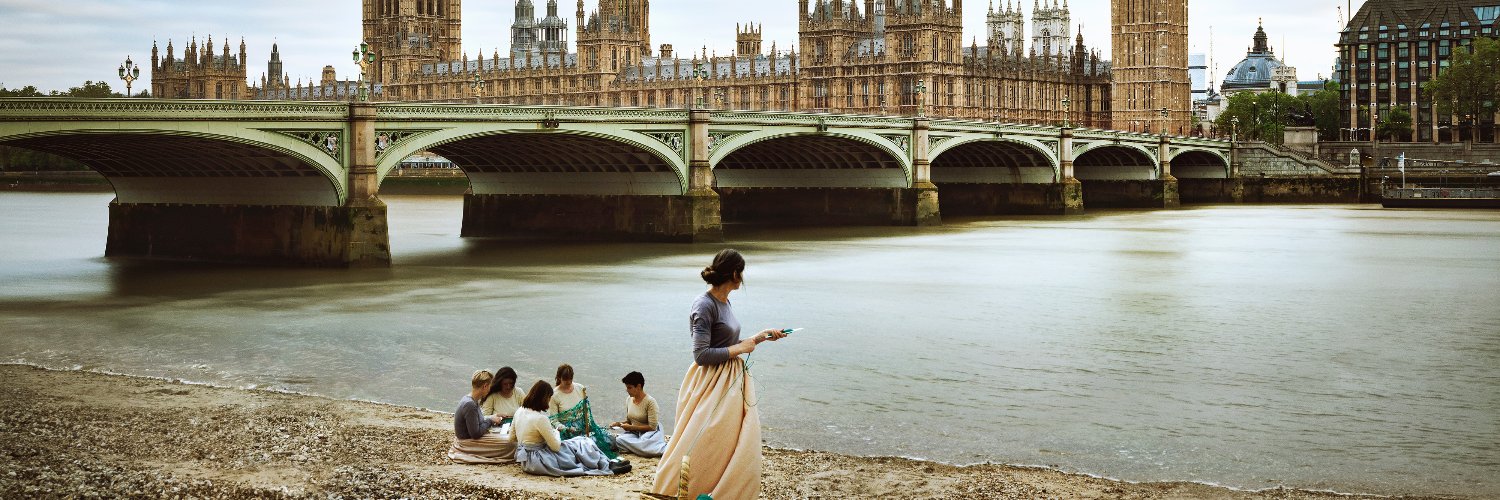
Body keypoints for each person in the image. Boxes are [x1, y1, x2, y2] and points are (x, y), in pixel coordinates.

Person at [650, 249, 787, 499]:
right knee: (703, 439)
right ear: (735, 273)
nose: (742, 277)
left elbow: (727, 343)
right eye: (741, 272)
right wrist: (740, 349)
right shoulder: (704, 305)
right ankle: (674, 489)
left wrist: (759, 337)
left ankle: (720, 489)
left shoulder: (725, 301)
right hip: (711, 383)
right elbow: (701, 355)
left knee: (729, 442)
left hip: (730, 380)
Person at [512, 380, 630, 476]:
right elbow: (556, 447)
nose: (548, 401)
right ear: (543, 398)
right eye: (548, 398)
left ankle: (605, 462)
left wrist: (531, 440)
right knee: (581, 444)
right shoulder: (540, 418)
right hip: (540, 460)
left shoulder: (519, 411)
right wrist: (555, 432)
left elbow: (511, 438)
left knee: (579, 441)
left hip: (526, 461)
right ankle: (605, 464)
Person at [447, 369, 516, 464]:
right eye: (489, 386)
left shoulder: (471, 399)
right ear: (485, 386)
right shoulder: (470, 404)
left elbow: (476, 421)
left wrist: (493, 416)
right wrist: (491, 420)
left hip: (469, 438)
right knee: (512, 443)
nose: (490, 389)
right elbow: (475, 434)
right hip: (467, 442)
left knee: (510, 437)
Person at [609, 371, 665, 458]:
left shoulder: (650, 402)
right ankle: (638, 448)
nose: (627, 390)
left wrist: (631, 427)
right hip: (635, 432)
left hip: (650, 433)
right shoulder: (629, 399)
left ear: (638, 386)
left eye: (629, 387)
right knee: (619, 440)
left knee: (643, 441)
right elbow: (629, 421)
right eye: (626, 387)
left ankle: (638, 447)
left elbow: (652, 427)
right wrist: (619, 424)